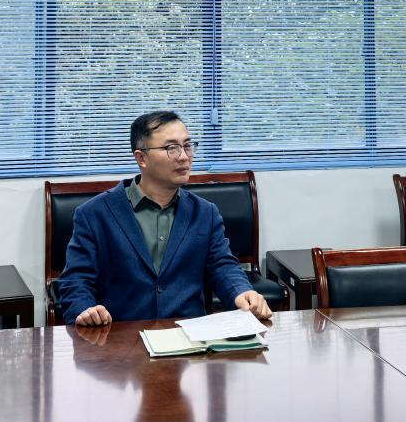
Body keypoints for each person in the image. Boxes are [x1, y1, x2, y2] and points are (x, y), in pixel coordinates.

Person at [58, 110, 272, 326]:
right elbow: (76, 279)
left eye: (187, 146)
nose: (184, 156)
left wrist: (242, 292)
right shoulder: (94, 214)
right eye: (171, 148)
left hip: (188, 335)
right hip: (121, 335)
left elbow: (222, 265)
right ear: (141, 158)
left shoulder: (205, 213)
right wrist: (84, 309)